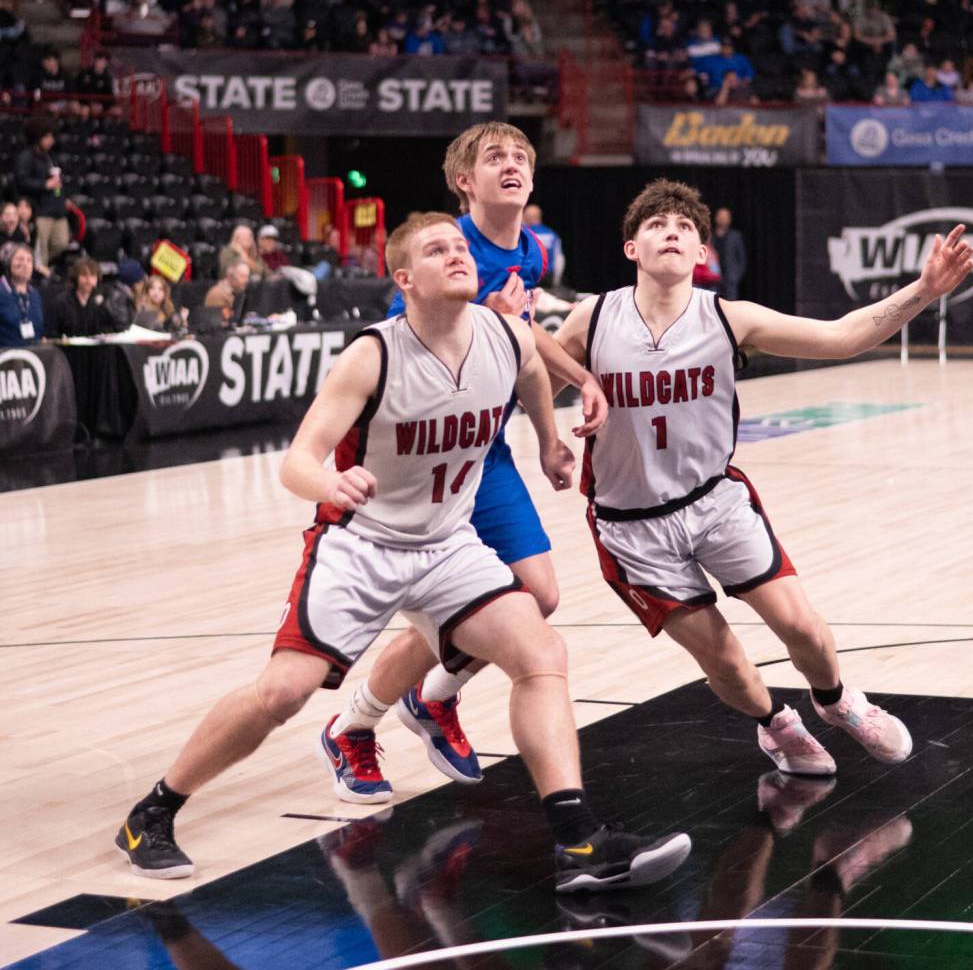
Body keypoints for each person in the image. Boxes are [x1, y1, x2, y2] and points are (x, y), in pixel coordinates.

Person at [114, 211, 691, 893]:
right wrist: (328, 481)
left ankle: (579, 841)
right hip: (361, 546)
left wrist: (547, 438)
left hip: (447, 543)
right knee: (282, 694)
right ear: (404, 279)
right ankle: (154, 811)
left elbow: (534, 370)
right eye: (435, 249)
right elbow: (297, 459)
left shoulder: (504, 336)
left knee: (542, 653)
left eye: (458, 246)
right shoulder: (372, 353)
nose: (456, 254)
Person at [550, 179, 973, 776]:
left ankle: (837, 702)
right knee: (723, 659)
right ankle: (776, 724)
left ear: (702, 254)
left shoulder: (730, 318)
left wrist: (925, 290)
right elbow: (531, 383)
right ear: (631, 249)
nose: (670, 232)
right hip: (630, 525)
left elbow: (842, 336)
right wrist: (548, 435)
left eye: (685, 228)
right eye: (655, 226)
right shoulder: (590, 320)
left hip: (714, 502)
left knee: (800, 625)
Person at [318, 122, 609, 799]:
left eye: (520, 156)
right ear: (464, 182)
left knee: (538, 594)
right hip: (419, 458)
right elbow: (415, 340)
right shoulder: (440, 250)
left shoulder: (531, 250)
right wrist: (487, 315)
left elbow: (524, 340)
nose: (510, 164)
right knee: (475, 611)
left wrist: (571, 398)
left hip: (485, 448)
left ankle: (432, 696)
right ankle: (354, 724)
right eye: (493, 157)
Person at [13, 118, 70, 270]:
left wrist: (63, 198)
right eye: (47, 136)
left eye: (52, 136)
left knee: (62, 242)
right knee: (41, 248)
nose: (51, 140)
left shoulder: (50, 157)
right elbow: (21, 181)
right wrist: (44, 185)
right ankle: (38, 274)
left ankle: (37, 267)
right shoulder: (26, 157)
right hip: (40, 210)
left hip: (57, 209)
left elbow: (56, 181)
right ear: (38, 136)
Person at [49, 257, 115, 337]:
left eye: (92, 275)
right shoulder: (62, 301)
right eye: (84, 275)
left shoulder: (103, 300)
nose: (88, 280)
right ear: (76, 277)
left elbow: (108, 328)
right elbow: (53, 331)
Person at [0, 244, 44, 347]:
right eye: (20, 259)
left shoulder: (35, 295)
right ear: (8, 263)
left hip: (33, 357)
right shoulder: (2, 291)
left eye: (29, 260)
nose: (25, 264)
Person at [524, 203, 564, 288]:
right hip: (548, 278)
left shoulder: (524, 234)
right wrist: (556, 281)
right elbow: (559, 260)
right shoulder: (552, 234)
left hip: (530, 277)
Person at [711, 207, 747, 302]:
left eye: (725, 217)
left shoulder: (735, 236)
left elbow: (741, 258)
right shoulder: (710, 236)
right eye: (720, 216)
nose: (722, 219)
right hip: (713, 278)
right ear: (716, 218)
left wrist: (736, 276)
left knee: (730, 305)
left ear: (729, 219)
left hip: (730, 279)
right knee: (714, 304)